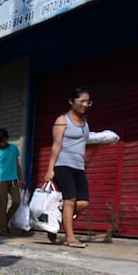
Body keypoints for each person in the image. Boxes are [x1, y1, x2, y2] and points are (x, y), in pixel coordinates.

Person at [44, 86, 92, 248]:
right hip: (62, 165)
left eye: (88, 102)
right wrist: (50, 168)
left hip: (79, 166)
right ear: (72, 101)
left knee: (83, 202)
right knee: (70, 200)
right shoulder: (62, 120)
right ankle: (70, 238)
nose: (85, 105)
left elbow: (83, 143)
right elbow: (56, 145)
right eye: (82, 101)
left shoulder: (85, 123)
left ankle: (56, 219)